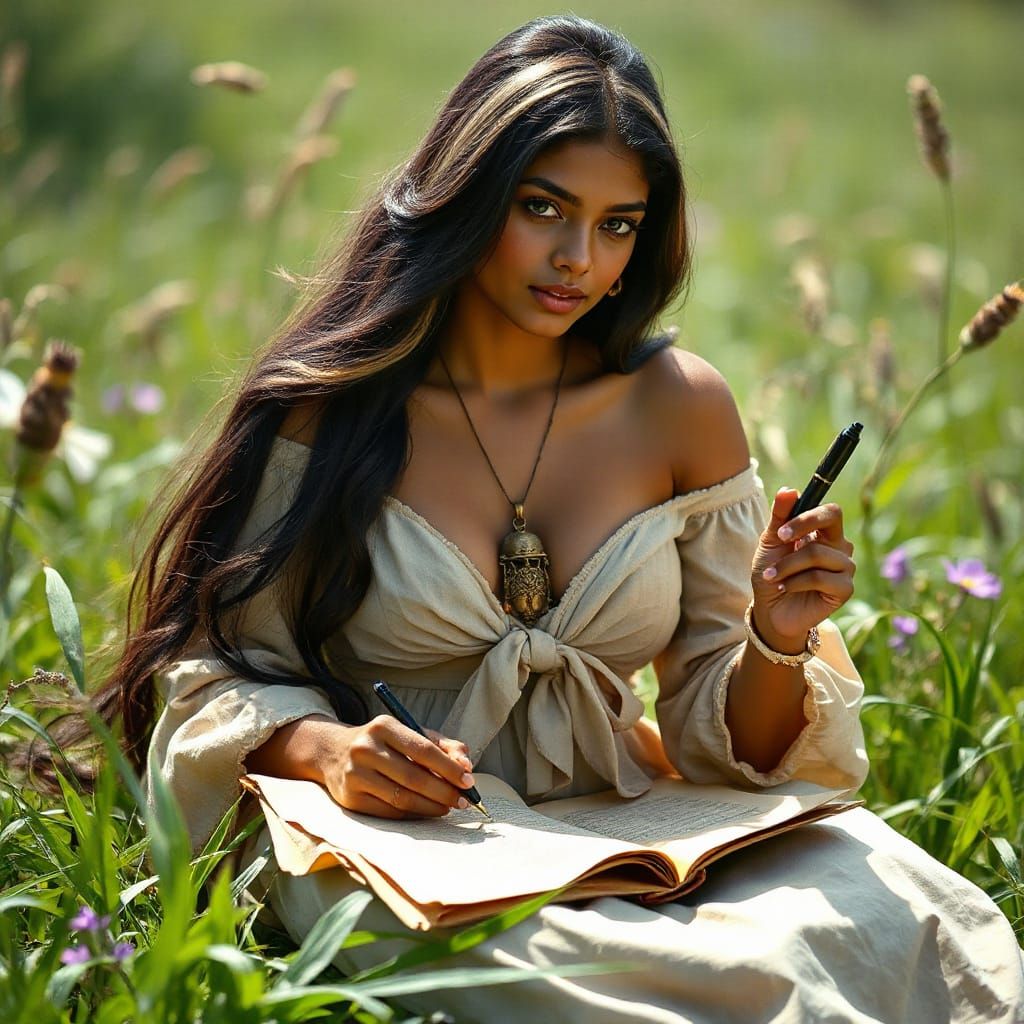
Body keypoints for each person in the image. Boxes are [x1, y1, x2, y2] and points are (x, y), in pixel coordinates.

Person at [82, 15, 1022, 1023]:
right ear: (468, 194)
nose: (580, 258)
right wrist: (327, 751)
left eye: (619, 224)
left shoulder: (680, 407)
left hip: (646, 825)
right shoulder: (333, 403)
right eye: (545, 208)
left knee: (907, 914)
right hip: (413, 840)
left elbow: (725, 745)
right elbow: (204, 673)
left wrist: (775, 639)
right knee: (613, 976)